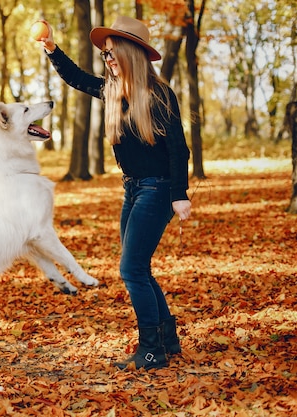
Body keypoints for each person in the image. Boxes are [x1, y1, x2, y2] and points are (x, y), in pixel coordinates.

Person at [35, 15, 191, 370]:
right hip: (133, 190)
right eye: (104, 55)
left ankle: (151, 352)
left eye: (112, 53)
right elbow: (75, 78)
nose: (108, 60)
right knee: (140, 268)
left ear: (132, 54)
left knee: (132, 269)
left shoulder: (158, 94)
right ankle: (168, 339)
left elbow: (178, 149)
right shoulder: (112, 91)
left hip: (158, 189)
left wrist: (179, 194)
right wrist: (52, 50)